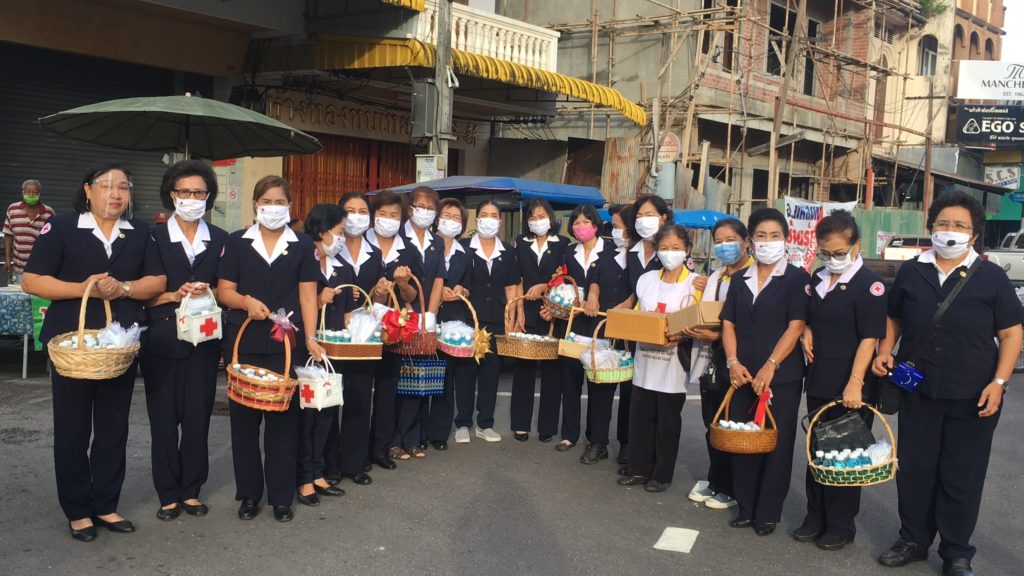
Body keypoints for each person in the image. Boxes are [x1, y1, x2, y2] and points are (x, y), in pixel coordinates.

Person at [872, 191, 1022, 576]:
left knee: (962, 475)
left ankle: (957, 552)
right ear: (931, 227)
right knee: (915, 470)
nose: (949, 231)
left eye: (959, 225)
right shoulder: (912, 271)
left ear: (974, 234)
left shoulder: (991, 277)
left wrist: (999, 382)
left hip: (973, 394)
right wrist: (886, 349)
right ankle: (913, 539)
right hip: (918, 388)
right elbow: (894, 318)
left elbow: (1011, 334)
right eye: (943, 223)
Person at [23, 161, 167, 542]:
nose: (115, 193)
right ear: (87, 190)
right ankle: (77, 510)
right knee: (72, 428)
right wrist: (82, 288)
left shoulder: (140, 233)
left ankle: (105, 503)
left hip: (119, 345)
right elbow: (31, 280)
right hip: (72, 345)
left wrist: (124, 289)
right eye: (106, 185)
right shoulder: (62, 228)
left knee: (113, 428)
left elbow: (157, 280)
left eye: (123, 186)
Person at [216, 175, 325, 523]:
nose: (273, 208)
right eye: (267, 202)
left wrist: (311, 336)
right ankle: (249, 494)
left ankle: (281, 496)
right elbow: (224, 291)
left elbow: (308, 295)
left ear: (290, 207)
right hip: (244, 340)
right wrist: (245, 301)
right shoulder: (237, 242)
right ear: (255, 205)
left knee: (284, 423)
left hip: (287, 344)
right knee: (244, 423)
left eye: (280, 202)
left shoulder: (302, 244)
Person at [793, 210, 886, 550]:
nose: (832, 259)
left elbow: (869, 338)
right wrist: (806, 330)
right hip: (820, 377)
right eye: (826, 253)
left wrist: (856, 381)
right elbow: (809, 317)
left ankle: (840, 524)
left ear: (856, 246)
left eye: (839, 252)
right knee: (817, 450)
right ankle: (814, 516)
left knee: (846, 454)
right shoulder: (817, 278)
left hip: (851, 382)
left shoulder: (870, 285)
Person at [141, 160, 228, 521]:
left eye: (199, 192)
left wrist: (211, 291)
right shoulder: (152, 237)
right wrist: (172, 295)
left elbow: (228, 288)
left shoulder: (220, 239)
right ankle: (168, 493)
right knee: (163, 420)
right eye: (185, 191)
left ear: (209, 196)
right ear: (172, 194)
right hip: (162, 339)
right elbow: (141, 292)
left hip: (204, 340)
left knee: (197, 418)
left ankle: (191, 490)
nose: (192, 198)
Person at [721, 207, 809, 536]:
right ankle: (745, 506)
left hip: (780, 378)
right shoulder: (739, 279)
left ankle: (768, 512)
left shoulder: (797, 279)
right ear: (750, 241)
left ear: (785, 239)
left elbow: (796, 326)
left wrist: (771, 365)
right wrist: (733, 362)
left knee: (775, 444)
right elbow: (728, 323)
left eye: (775, 236)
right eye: (761, 235)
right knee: (743, 439)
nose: (768, 241)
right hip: (741, 375)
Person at [615, 223, 697, 493]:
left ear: (687, 250)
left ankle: (662, 474)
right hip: (645, 359)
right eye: (664, 248)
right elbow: (639, 314)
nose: (669, 253)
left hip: (673, 363)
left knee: (667, 422)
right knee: (640, 418)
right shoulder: (647, 279)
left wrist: (680, 335)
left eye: (676, 247)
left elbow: (699, 322)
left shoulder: (696, 284)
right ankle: (638, 468)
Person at [683, 217, 753, 511]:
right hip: (711, 358)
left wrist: (716, 335)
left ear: (745, 242)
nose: (724, 247)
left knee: (732, 425)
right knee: (712, 422)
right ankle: (717, 480)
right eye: (719, 242)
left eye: (730, 240)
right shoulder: (717, 276)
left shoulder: (752, 276)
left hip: (738, 360)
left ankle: (733, 487)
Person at [295, 204, 351, 508]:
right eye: (339, 231)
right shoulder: (302, 258)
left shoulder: (342, 267)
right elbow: (294, 302)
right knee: (306, 416)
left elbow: (347, 313)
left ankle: (317, 471)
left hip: (332, 350)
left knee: (326, 412)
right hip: (306, 347)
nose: (342, 238)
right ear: (322, 230)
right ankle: (303, 475)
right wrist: (318, 299)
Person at [453, 200, 519, 444]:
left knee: (491, 374)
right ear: (477, 219)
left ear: (500, 221)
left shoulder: (508, 251)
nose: (489, 219)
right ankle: (463, 423)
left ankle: (485, 423)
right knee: (465, 373)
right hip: (468, 319)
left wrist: (511, 317)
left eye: (494, 215)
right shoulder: (463, 247)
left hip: (496, 319)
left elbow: (511, 286)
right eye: (484, 214)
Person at [335, 191, 389, 487]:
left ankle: (353, 462)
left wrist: (380, 290)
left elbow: (377, 300)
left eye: (361, 211)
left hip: (362, 336)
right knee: (329, 399)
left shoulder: (374, 253)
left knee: (358, 397)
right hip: (332, 333)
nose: (355, 217)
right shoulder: (330, 246)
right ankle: (327, 464)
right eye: (349, 210)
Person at [364, 190, 418, 468]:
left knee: (386, 392)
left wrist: (403, 283)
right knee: (359, 391)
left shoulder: (408, 251)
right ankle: (355, 450)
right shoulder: (360, 242)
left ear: (402, 219)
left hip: (392, 331)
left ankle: (380, 448)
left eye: (393, 215)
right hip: (360, 329)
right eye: (382, 214)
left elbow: (411, 297)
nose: (387, 219)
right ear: (374, 216)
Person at [546, 204, 603, 454]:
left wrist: (594, 297)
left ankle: (595, 437)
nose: (581, 227)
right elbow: (560, 281)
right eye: (577, 223)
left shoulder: (609, 251)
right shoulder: (569, 251)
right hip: (571, 322)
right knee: (570, 382)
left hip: (598, 322)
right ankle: (569, 434)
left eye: (586, 222)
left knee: (597, 384)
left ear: (596, 225)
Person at [394, 186, 446, 459]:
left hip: (425, 317)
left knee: (417, 378)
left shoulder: (437, 242)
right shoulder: (399, 236)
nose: (424, 212)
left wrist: (430, 315)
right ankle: (393, 439)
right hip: (401, 315)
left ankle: (412, 438)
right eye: (420, 206)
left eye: (430, 207)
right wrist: (408, 312)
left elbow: (438, 280)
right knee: (396, 378)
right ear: (410, 208)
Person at [511, 198, 569, 443]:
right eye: (532, 217)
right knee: (523, 369)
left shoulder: (563, 244)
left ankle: (547, 426)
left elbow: (566, 278)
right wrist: (519, 310)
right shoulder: (520, 243)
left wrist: (547, 290)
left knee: (552, 372)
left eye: (541, 216)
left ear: (550, 218)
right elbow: (516, 278)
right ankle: (520, 424)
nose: (537, 221)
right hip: (527, 312)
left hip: (552, 313)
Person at [422, 198, 472, 450]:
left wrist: (462, 289)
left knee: (445, 378)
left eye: (456, 218)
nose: (451, 221)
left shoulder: (466, 253)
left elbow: (470, 285)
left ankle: (439, 433)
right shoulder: (425, 245)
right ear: (437, 218)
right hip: (427, 317)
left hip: (453, 322)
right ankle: (418, 433)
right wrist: (437, 291)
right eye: (447, 216)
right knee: (422, 375)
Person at [586, 204, 634, 466]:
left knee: (629, 391)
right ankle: (597, 442)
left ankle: (627, 444)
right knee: (600, 386)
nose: (613, 231)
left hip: (631, 330)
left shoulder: (642, 255)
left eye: (616, 226)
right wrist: (593, 295)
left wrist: (626, 306)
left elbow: (643, 288)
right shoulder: (607, 253)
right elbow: (594, 279)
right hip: (603, 326)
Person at [4, 179, 55, 282]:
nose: (31, 195)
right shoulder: (12, 209)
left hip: (42, 267)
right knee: (22, 291)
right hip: (20, 267)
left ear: (39, 194)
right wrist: (8, 258)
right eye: (28, 192)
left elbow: (54, 239)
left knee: (39, 292)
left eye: (34, 192)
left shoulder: (49, 212)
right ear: (23, 192)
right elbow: (8, 235)